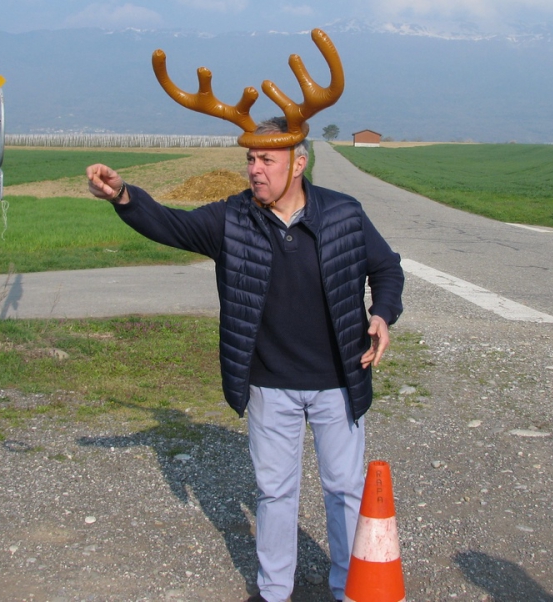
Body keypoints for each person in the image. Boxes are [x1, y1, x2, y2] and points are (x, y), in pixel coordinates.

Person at [87, 117, 404, 602]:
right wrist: (124, 196)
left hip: (340, 379)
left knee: (344, 490)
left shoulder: (344, 214)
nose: (254, 169)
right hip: (268, 384)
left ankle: (348, 588)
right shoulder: (232, 219)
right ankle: (274, 591)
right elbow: (171, 224)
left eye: (266, 160)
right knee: (275, 492)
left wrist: (381, 314)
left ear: (298, 164)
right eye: (251, 159)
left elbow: (385, 268)